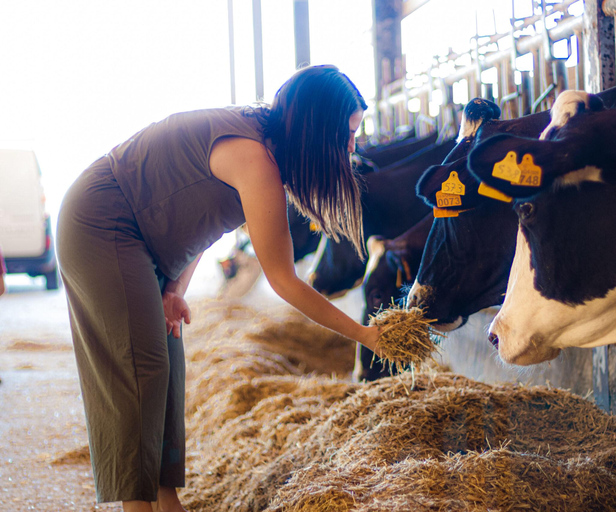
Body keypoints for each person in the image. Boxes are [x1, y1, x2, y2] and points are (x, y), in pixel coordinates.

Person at [56, 65, 380, 512]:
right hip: (101, 221)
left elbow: (199, 222)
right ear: (316, 127)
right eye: (346, 133)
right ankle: (136, 507)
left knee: (167, 366)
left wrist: (175, 288)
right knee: (140, 368)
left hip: (142, 238)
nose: (351, 146)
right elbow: (283, 279)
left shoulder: (267, 147)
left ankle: (167, 500)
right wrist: (366, 335)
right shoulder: (253, 156)